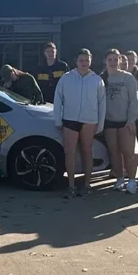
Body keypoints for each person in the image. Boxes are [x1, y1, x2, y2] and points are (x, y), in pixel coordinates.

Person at [53, 49, 106, 198]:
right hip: (70, 120)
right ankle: (71, 185)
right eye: (81, 60)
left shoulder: (97, 80)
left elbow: (102, 104)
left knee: (87, 152)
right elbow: (58, 100)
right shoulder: (66, 78)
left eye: (87, 60)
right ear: (76, 61)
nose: (84, 63)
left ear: (91, 61)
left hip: (90, 121)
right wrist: (58, 120)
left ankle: (87, 184)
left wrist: (100, 125)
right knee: (69, 152)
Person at [102, 48, 138, 193]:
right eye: (110, 59)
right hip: (109, 122)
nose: (112, 62)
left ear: (120, 60)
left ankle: (131, 180)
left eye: (115, 59)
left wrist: (131, 120)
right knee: (114, 152)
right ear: (105, 61)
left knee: (128, 152)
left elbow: (134, 100)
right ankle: (119, 179)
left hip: (125, 121)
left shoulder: (128, 78)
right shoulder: (102, 78)